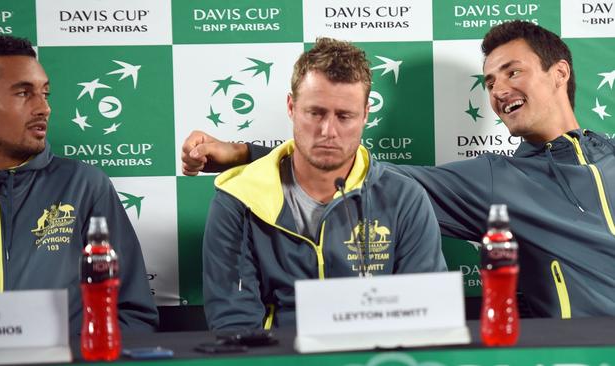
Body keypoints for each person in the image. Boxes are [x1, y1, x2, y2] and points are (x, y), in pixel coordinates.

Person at [182, 21, 615, 319]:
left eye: (512, 71)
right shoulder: (493, 180)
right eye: (489, 82)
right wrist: (244, 152)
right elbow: (355, 169)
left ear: (559, 73)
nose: (499, 90)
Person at [202, 37, 446, 330]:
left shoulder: (405, 198)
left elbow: (425, 315)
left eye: (345, 116)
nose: (328, 131)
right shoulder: (238, 199)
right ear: (292, 107)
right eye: (315, 113)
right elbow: (235, 325)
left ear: (366, 115)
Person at [0, 35, 158, 334]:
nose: (44, 108)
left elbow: (133, 314)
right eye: (23, 93)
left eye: (45, 93)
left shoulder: (84, 185)